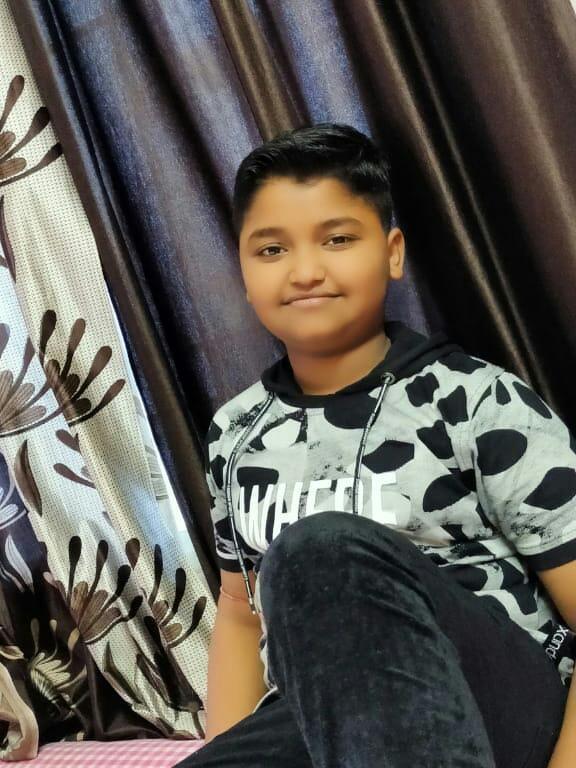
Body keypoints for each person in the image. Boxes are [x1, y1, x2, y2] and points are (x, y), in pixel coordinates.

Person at [175, 123, 576, 768]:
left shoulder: (477, 401)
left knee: (320, 549)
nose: (306, 271)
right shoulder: (236, 430)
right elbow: (241, 610)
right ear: (244, 273)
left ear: (392, 253)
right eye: (271, 250)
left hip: (504, 707)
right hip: (327, 720)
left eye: (337, 239)